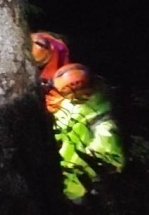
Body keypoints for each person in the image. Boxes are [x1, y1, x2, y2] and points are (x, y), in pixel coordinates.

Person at [47, 63, 125, 203]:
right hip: (65, 186)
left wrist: (69, 192)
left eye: (78, 86)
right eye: (66, 90)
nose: (74, 92)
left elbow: (106, 160)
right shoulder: (66, 107)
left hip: (83, 195)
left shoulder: (103, 120)